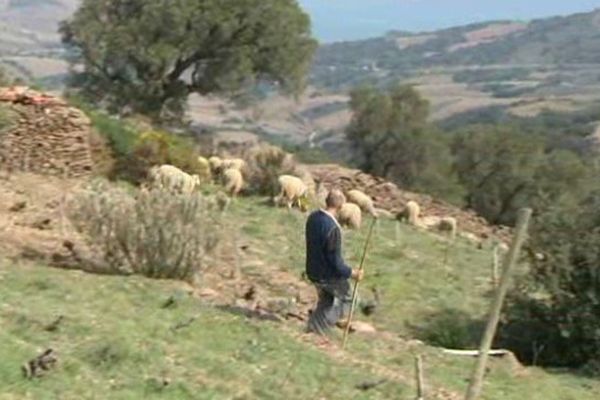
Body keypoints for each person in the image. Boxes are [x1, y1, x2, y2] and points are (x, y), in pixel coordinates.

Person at [305, 189, 363, 335]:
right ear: (340, 206)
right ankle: (319, 329)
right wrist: (352, 273)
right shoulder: (333, 228)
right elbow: (335, 262)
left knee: (326, 302)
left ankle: (311, 328)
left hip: (312, 271)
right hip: (327, 275)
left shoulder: (312, 217)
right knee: (350, 299)